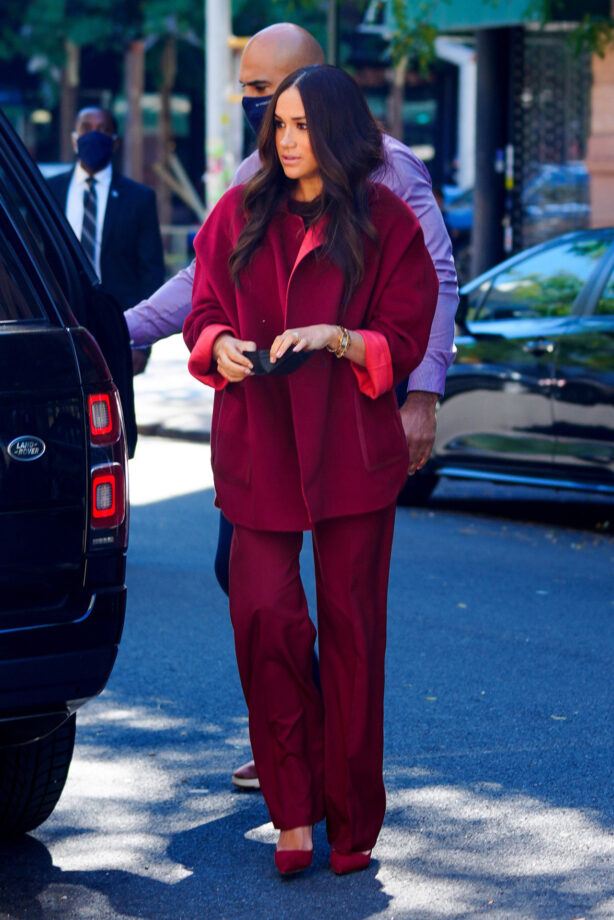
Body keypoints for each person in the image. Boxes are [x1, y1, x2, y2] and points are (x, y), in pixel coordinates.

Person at [123, 22, 458, 788]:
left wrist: (424, 395)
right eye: (249, 93)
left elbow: (432, 276)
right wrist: (119, 327)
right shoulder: (258, 173)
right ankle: (293, 740)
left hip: (351, 418)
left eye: (263, 91)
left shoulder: (389, 167)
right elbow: (202, 286)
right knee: (249, 585)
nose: (254, 107)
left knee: (346, 608)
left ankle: (324, 757)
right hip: (271, 424)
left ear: (318, 86)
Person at [183, 65, 438, 876]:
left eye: (300, 125)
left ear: (336, 130)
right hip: (258, 445)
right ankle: (292, 810)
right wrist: (214, 342)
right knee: (264, 622)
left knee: (355, 634)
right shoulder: (238, 212)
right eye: (277, 125)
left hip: (352, 453)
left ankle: (352, 817)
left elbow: (407, 328)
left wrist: (338, 338)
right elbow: (202, 306)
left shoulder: (387, 220)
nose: (286, 141)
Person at [48, 106, 165, 373]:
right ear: (73, 138)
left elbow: (150, 271)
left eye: (102, 129)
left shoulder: (139, 199)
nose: (94, 135)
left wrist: (142, 343)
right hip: (61, 324)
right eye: (86, 128)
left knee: (117, 410)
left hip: (117, 327)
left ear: (115, 142)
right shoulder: (49, 193)